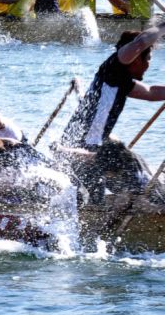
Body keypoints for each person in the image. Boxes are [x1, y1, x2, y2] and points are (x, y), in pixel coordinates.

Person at [56, 24, 165, 202]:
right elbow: (140, 43)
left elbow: (151, 92)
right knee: (101, 191)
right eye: (149, 58)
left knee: (137, 173)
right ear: (136, 59)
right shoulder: (115, 67)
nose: (149, 64)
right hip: (82, 149)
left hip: (91, 146)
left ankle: (141, 202)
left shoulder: (119, 80)